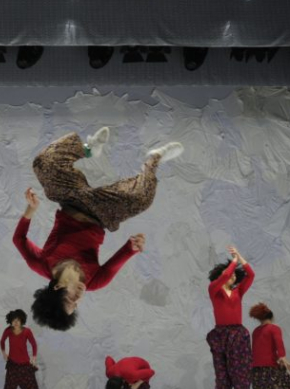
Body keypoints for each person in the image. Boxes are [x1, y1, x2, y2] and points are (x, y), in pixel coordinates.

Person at [15, 127, 184, 330]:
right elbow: (121, 257)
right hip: (102, 214)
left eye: (70, 300)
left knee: (43, 164)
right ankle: (154, 159)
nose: (79, 298)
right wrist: (133, 247)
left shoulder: (42, 264)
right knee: (141, 200)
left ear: (58, 287)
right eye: (76, 305)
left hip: (71, 200)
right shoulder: (95, 281)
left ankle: (88, 149)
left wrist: (30, 209)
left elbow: (19, 240)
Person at [206, 246, 254, 389]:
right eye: (230, 274)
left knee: (241, 376)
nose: (233, 277)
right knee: (222, 376)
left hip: (238, 335)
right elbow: (224, 277)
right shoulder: (214, 290)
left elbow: (250, 274)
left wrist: (239, 257)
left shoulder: (238, 292)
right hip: (220, 336)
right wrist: (232, 263)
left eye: (235, 275)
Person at [0, 309, 41, 389]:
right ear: (10, 321)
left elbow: (34, 344)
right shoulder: (7, 331)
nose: (16, 322)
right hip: (12, 365)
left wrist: (34, 357)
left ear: (22, 320)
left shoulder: (27, 331)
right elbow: (2, 341)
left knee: (33, 387)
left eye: (18, 320)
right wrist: (4, 353)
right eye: (14, 320)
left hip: (25, 365)